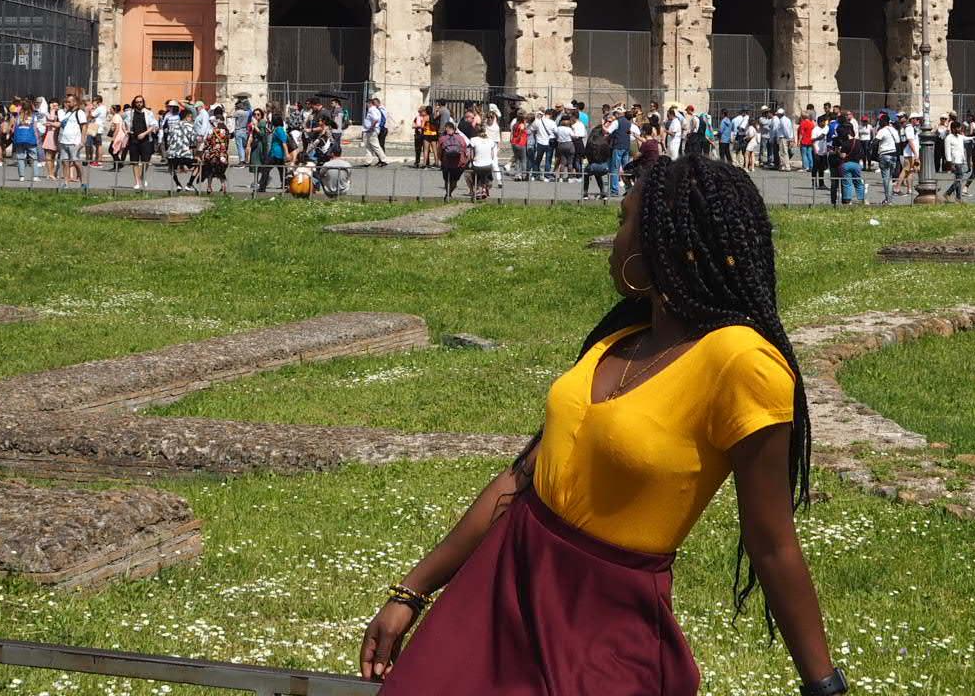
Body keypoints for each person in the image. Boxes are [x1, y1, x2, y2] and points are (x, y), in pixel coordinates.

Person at [360, 153, 842, 695]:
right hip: (498, 588)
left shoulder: (741, 361)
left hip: (605, 625)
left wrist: (823, 686)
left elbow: (771, 542)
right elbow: (519, 480)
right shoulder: (619, 340)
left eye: (623, 220)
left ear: (662, 241)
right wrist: (411, 593)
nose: (614, 238)